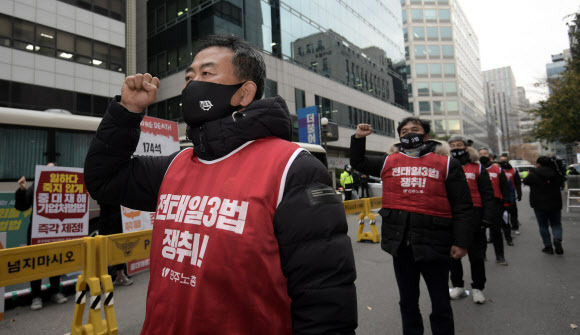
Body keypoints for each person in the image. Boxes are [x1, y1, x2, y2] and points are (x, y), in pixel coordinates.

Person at [84, 34, 357, 334]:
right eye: (189, 76)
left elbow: (324, 300)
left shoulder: (292, 168)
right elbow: (104, 179)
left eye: (206, 73)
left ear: (244, 93)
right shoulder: (174, 165)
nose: (191, 83)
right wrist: (126, 113)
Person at [350, 118, 473, 335]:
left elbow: (462, 206)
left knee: (440, 303)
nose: (409, 134)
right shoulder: (389, 161)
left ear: (426, 136)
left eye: (414, 130)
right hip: (401, 246)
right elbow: (358, 162)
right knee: (407, 302)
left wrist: (461, 242)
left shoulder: (446, 163)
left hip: (436, 245)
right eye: (404, 131)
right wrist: (359, 138)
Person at [447, 136, 495, 304]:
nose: (455, 148)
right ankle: (458, 286)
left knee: (476, 256)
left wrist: (488, 217)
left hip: (475, 216)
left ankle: (478, 288)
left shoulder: (477, 168)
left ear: (466, 147)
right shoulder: (446, 166)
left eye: (458, 145)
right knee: (453, 255)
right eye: (451, 146)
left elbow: (488, 194)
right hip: (452, 216)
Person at [15, 163, 68, 310]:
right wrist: (22, 189)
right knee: (36, 264)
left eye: (53, 169)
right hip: (37, 232)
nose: (50, 171)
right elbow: (22, 206)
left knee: (55, 261)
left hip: (56, 231)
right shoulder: (37, 184)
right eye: (47, 168)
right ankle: (36, 297)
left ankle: (55, 292)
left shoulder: (64, 187)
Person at [523, 156, 565, 255]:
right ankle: (557, 238)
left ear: (539, 164)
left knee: (543, 225)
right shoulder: (555, 172)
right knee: (556, 223)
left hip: (539, 204)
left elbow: (525, 181)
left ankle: (548, 247)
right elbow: (561, 182)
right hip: (555, 203)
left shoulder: (533, 173)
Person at [478, 148, 512, 265]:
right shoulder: (476, 169)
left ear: (491, 157)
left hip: (495, 204)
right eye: (481, 154)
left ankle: (500, 256)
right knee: (480, 232)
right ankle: (482, 255)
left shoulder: (497, 169)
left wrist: (506, 203)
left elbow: (505, 187)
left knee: (496, 231)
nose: (483, 156)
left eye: (485, 154)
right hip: (480, 204)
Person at [98, 202, 133, 286]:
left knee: (120, 250)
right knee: (103, 251)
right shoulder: (104, 190)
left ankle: (120, 275)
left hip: (120, 221)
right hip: (106, 222)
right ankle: (103, 278)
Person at [498, 154, 522, 235]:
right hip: (500, 195)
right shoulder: (497, 170)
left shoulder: (513, 170)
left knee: (513, 212)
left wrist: (519, 193)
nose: (503, 163)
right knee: (502, 213)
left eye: (505, 161)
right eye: (501, 161)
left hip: (511, 195)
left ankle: (515, 227)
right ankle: (503, 227)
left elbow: (518, 183)